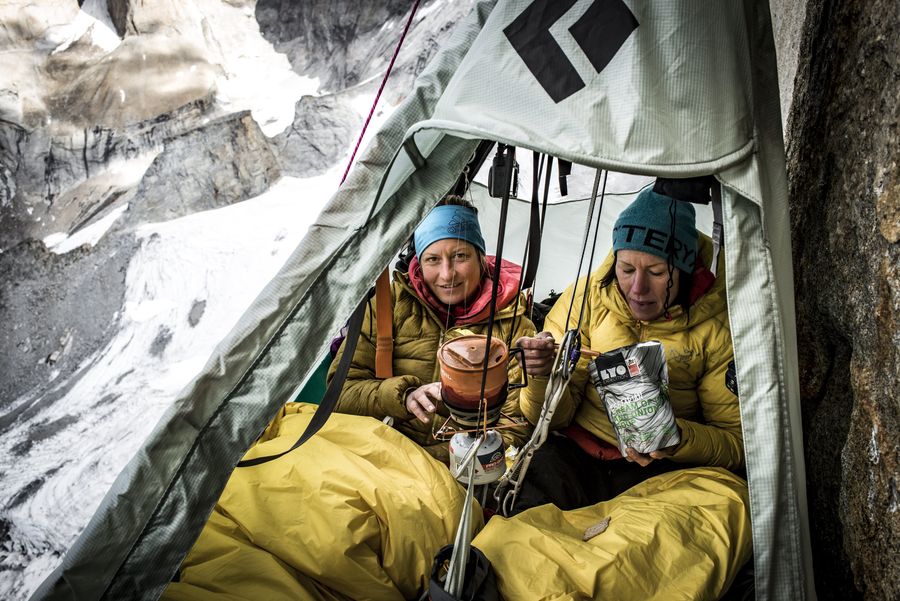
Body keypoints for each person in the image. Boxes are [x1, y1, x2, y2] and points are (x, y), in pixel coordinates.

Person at [513, 186, 744, 509]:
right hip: (576, 453)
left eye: (657, 272)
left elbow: (736, 444)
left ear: (687, 270)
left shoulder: (717, 326)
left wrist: (677, 437)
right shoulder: (587, 298)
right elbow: (551, 419)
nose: (638, 289)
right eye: (626, 270)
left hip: (663, 469)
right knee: (528, 516)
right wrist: (541, 376)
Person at [329, 195, 535, 462]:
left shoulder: (515, 323)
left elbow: (517, 428)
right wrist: (402, 397)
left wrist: (427, 461)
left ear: (481, 258)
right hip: (378, 456)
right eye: (433, 260)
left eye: (460, 256)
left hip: (455, 472)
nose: (447, 274)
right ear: (418, 261)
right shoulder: (386, 306)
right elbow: (339, 395)